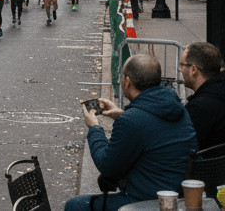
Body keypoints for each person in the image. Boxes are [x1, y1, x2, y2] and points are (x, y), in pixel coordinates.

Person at [65, 54, 198, 211]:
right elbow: (153, 129)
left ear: (127, 81)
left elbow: (107, 165)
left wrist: (94, 128)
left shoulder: (132, 121)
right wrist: (121, 115)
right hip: (179, 196)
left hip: (146, 200)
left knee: (74, 205)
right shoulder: (177, 108)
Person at [181, 41, 225, 150]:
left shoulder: (200, 107)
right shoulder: (218, 90)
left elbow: (182, 145)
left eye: (182, 64)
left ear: (193, 70)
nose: (180, 69)